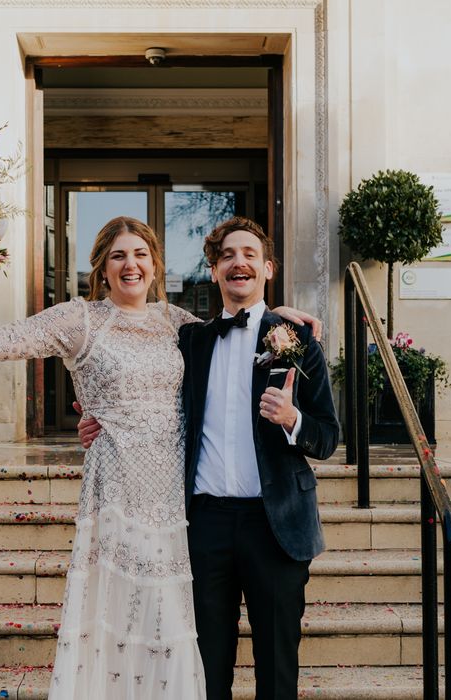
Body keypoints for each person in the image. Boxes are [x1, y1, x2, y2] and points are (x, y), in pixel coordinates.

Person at [0, 216, 319, 700]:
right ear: (101, 268)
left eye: (140, 255)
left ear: (155, 267)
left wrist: (280, 317)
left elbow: (240, 330)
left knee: (177, 636)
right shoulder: (79, 319)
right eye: (118, 256)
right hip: (119, 492)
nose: (130, 265)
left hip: (179, 505)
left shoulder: (178, 323)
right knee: (125, 623)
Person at [80, 216, 339, 699]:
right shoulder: (191, 341)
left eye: (248, 255)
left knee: (278, 670)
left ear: (266, 268)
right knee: (204, 672)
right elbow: (144, 391)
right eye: (226, 257)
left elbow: (327, 436)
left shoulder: (297, 339)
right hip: (203, 527)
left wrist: (292, 420)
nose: (237, 262)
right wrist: (100, 417)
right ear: (215, 271)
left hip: (276, 526)